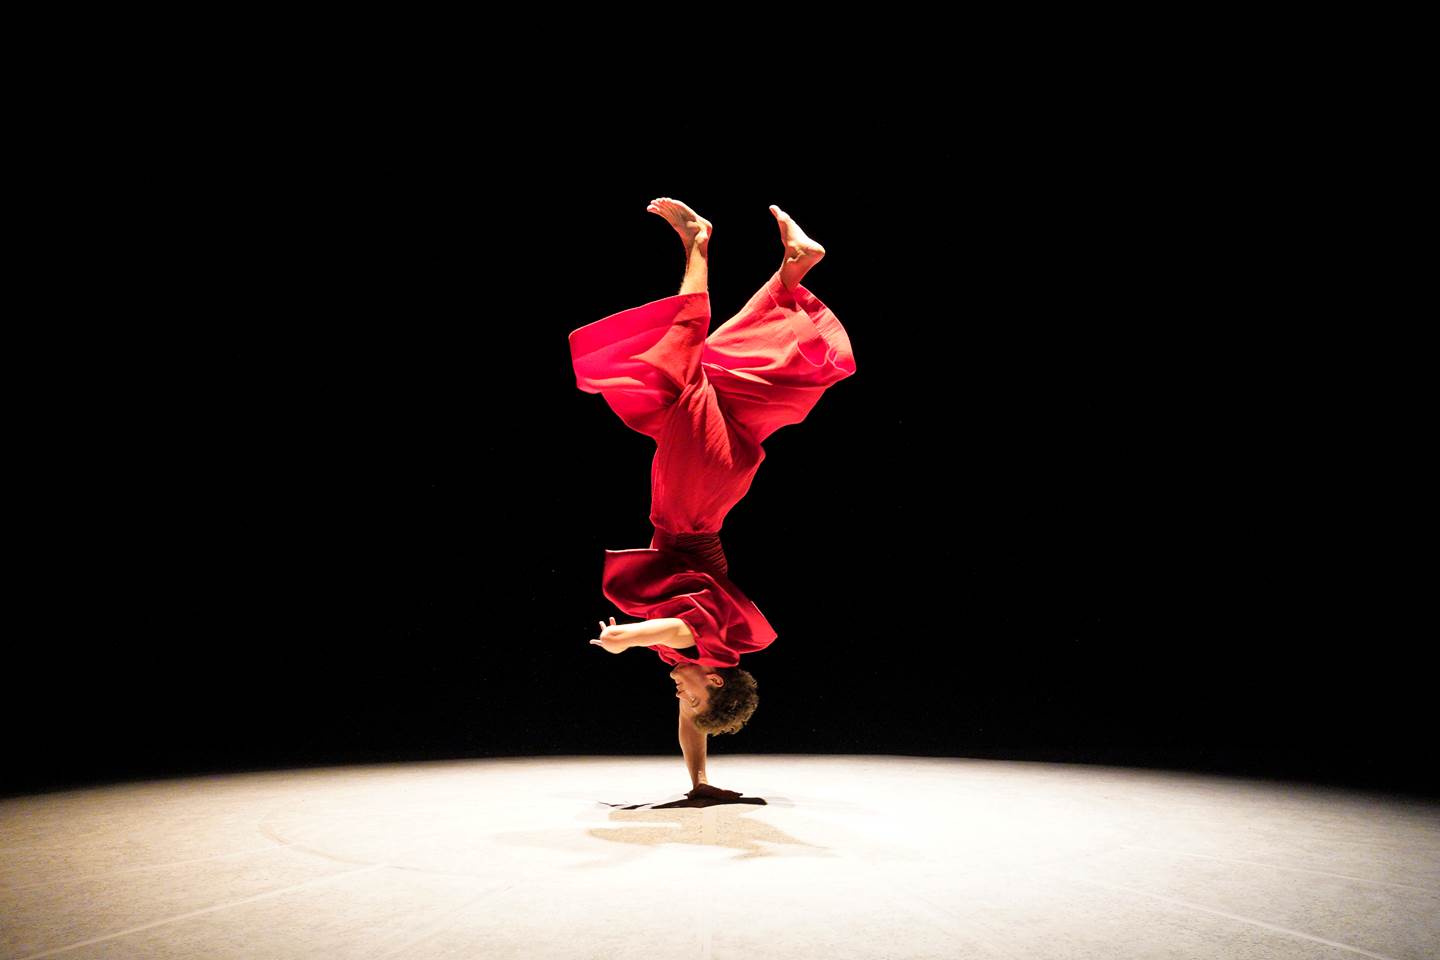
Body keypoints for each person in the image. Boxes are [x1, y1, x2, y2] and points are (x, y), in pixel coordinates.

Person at [570, 197, 856, 800]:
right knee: (684, 370)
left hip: (698, 495)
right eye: (694, 696)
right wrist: (626, 638)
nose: (681, 694)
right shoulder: (716, 648)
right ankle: (701, 242)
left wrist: (701, 782)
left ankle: (790, 271)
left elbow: (688, 721)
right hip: (693, 502)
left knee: (692, 376)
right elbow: (674, 628)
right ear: (720, 684)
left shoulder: (699, 664)